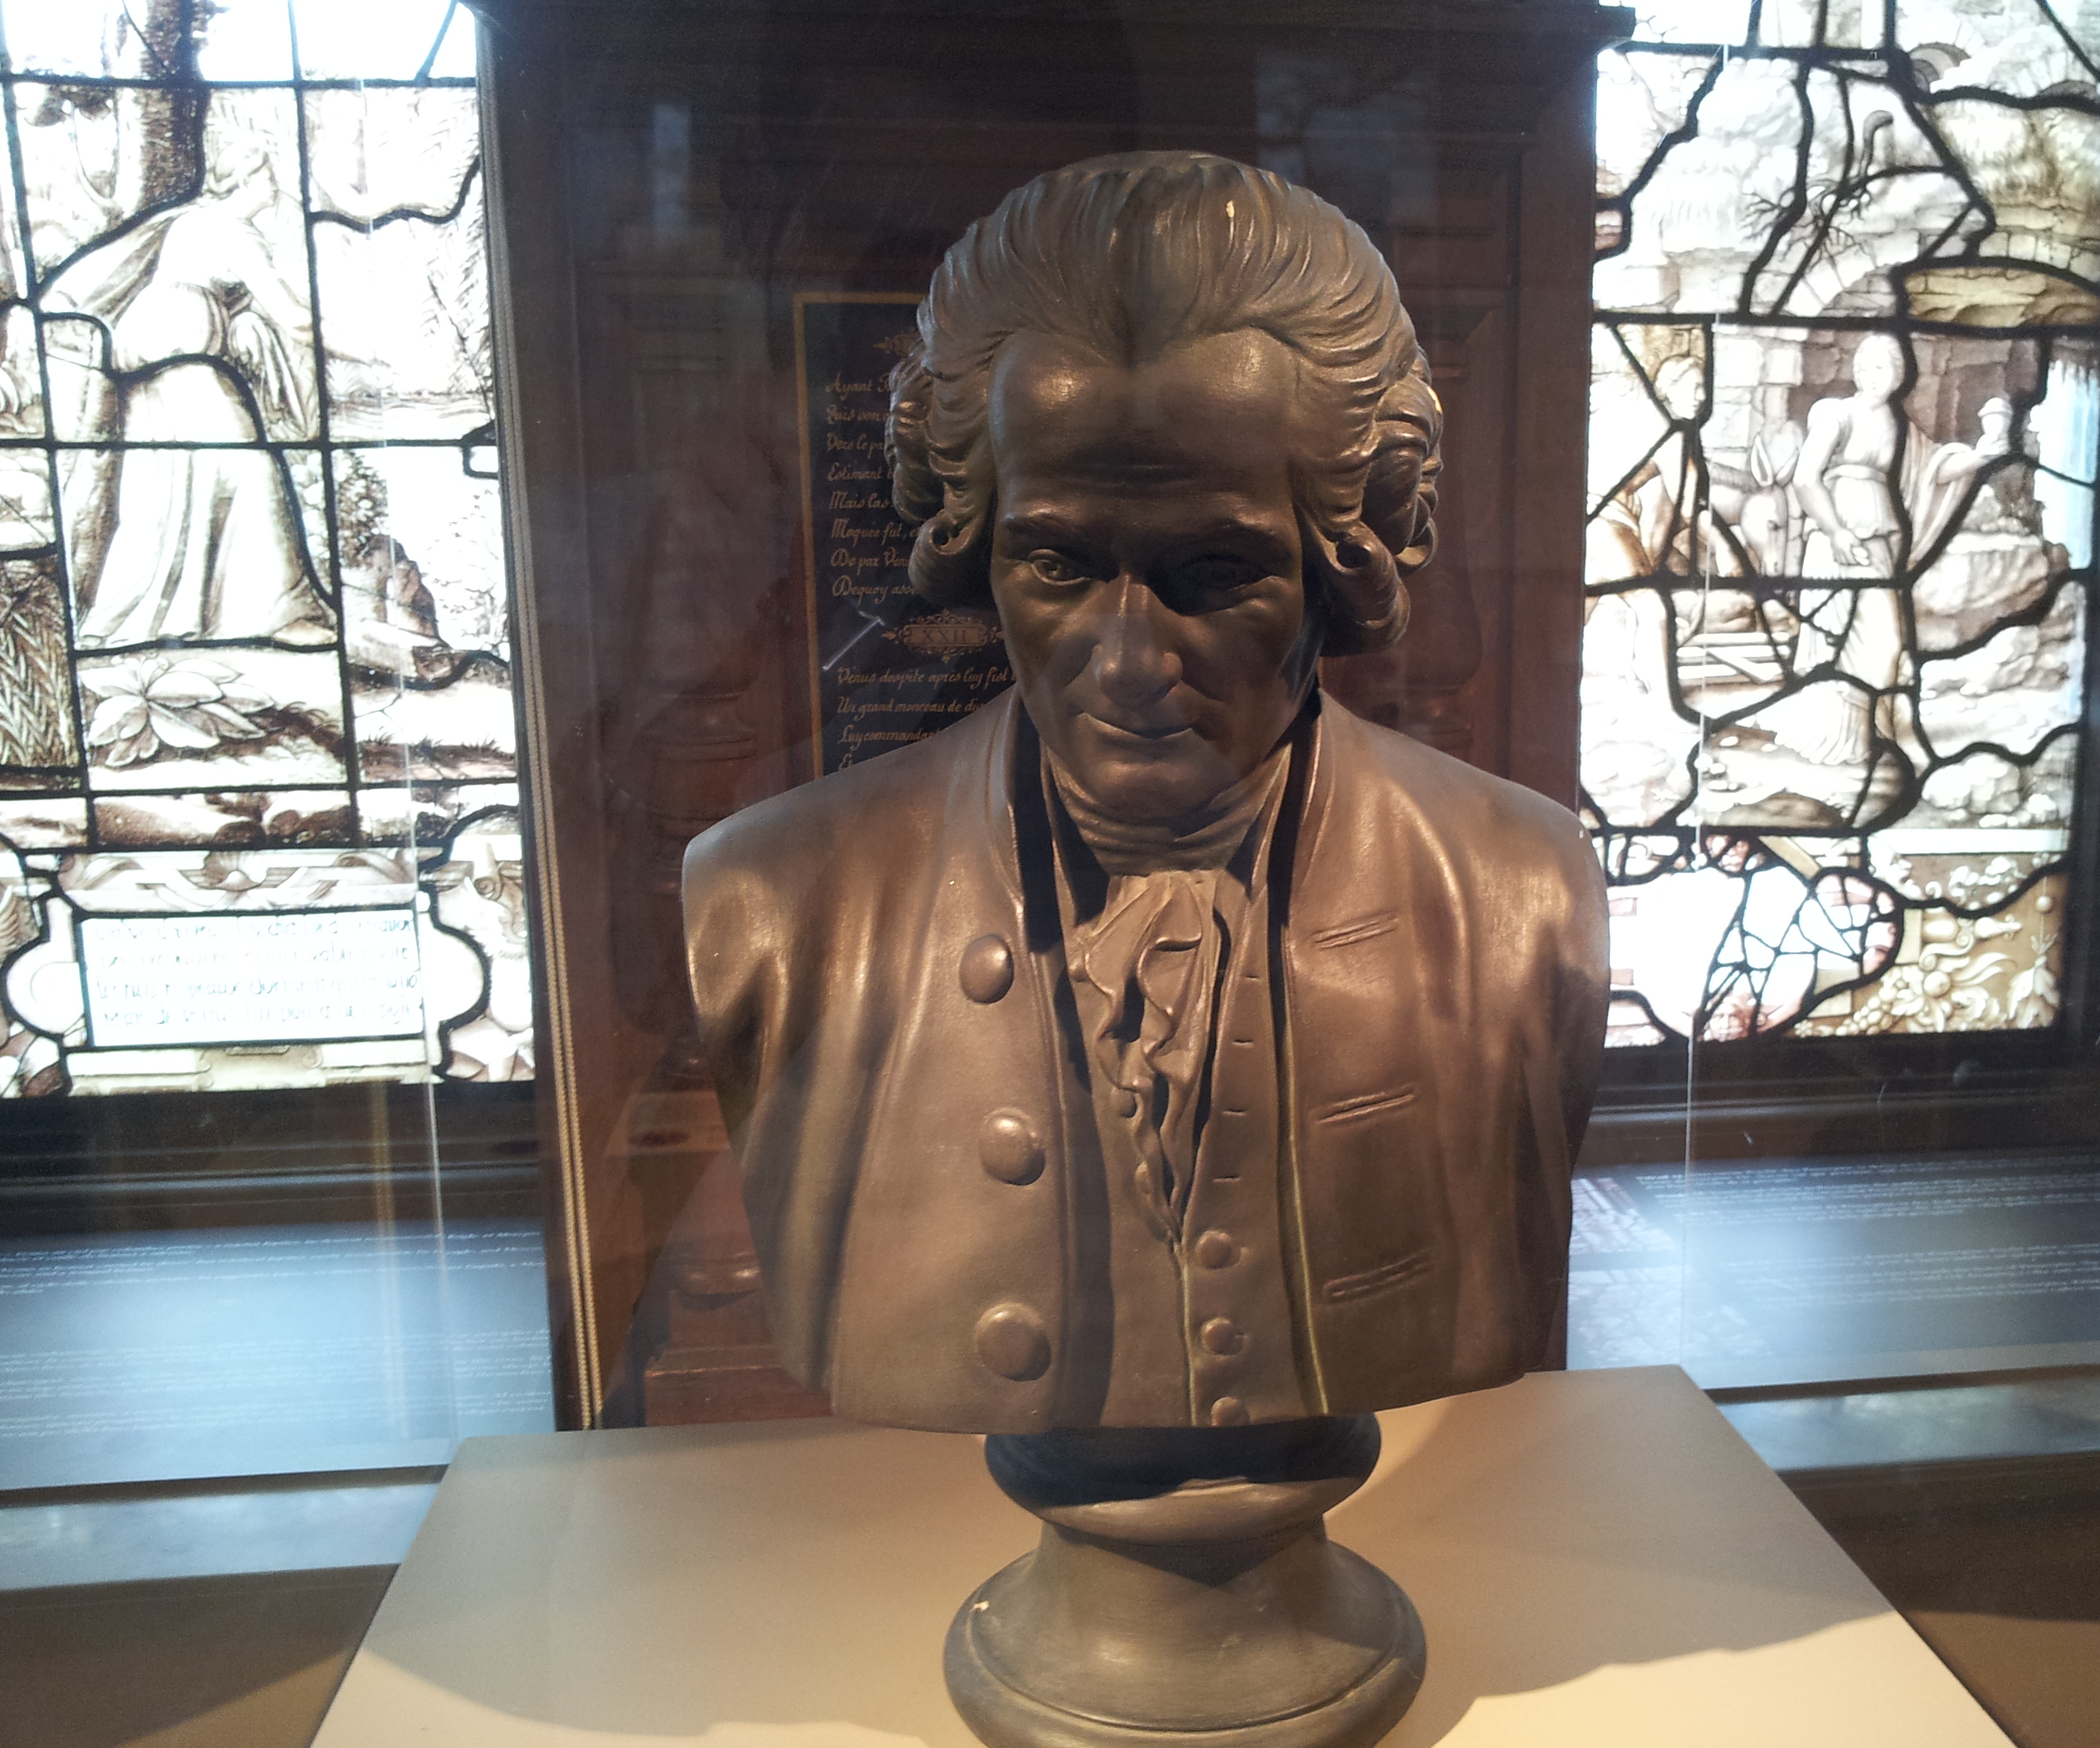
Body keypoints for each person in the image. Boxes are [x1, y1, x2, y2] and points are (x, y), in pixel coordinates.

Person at [684, 153, 1608, 1435]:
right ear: (971, 538)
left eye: (1214, 571)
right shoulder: (773, 906)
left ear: (1341, 557)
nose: (1126, 663)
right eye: (1058, 564)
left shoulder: (1519, 891)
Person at [47, 115, 330, 651]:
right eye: (267, 174)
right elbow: (294, 318)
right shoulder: (231, 228)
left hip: (156, 357)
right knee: (250, 467)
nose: (274, 185)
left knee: (164, 489)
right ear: (243, 178)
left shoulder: (195, 222)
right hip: (182, 356)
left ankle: (139, 618)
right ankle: (275, 613)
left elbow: (230, 297)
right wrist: (366, 348)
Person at [1779, 333, 2001, 768]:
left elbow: (1933, 469)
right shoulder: (1837, 414)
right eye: (1863, 366)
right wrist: (1837, 532)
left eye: (1880, 366)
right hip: (1839, 541)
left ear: (1899, 375)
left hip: (1878, 542)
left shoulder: (1898, 426)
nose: (1869, 374)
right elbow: (1805, 478)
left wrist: (1981, 456)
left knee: (1887, 641)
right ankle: (1835, 737)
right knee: (1850, 637)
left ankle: (1862, 733)